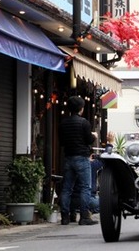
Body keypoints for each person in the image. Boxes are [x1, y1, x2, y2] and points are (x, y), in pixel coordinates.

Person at [59, 96, 98, 226]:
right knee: (85, 188)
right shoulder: (84, 122)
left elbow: (61, 141)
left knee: (66, 188)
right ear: (81, 109)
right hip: (82, 157)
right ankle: (84, 216)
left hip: (68, 157)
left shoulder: (63, 123)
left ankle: (65, 217)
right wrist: (94, 135)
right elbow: (89, 140)